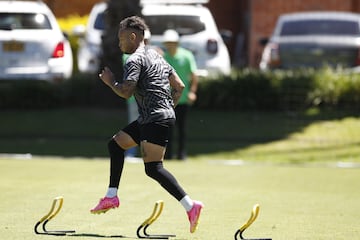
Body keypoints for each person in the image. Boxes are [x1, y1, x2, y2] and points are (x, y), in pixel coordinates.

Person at [90, 16, 203, 234]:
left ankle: (191, 206)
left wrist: (110, 82)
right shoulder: (157, 56)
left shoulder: (135, 59)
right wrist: (168, 107)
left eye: (122, 39)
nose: (119, 44)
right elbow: (179, 86)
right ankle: (111, 196)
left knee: (153, 168)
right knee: (115, 144)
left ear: (133, 37)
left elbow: (126, 92)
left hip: (154, 118)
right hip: (153, 117)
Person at [162, 29, 198, 160]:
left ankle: (182, 154)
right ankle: (168, 155)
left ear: (177, 43)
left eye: (172, 43)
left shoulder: (187, 55)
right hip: (167, 101)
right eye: (167, 43)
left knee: (182, 128)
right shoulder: (163, 58)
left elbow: (193, 75)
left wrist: (192, 92)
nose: (170, 45)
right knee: (168, 129)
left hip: (182, 100)